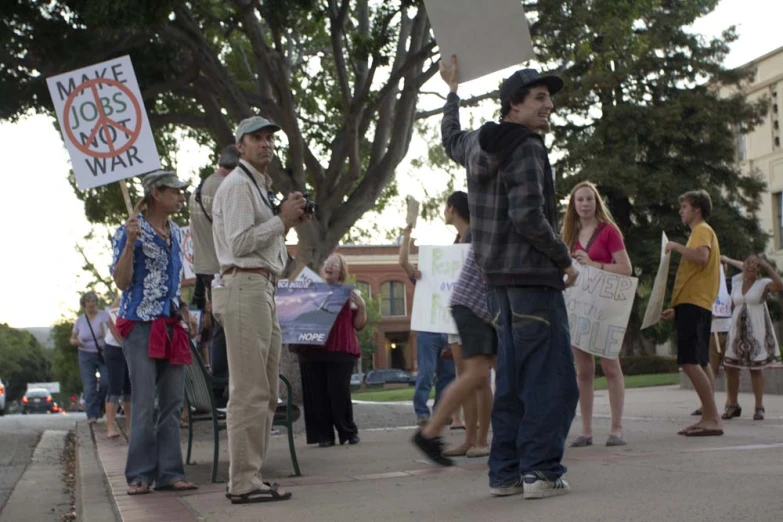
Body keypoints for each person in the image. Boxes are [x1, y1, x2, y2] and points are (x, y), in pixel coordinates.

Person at [440, 55, 579, 499]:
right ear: (513, 106)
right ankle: (540, 471)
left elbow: (450, 138)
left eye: (549, 99)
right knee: (552, 381)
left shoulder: (479, 142)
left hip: (495, 282)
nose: (548, 106)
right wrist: (563, 259)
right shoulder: (528, 146)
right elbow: (528, 217)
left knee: (514, 381)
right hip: (533, 281)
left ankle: (505, 474)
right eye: (539, 98)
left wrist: (453, 91)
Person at [211, 115, 309, 504]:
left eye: (269, 138)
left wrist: (286, 222)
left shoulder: (258, 187)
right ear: (240, 147)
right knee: (250, 390)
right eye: (257, 138)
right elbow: (238, 244)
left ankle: (250, 475)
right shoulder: (237, 186)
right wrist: (281, 220)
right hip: (245, 286)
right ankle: (243, 480)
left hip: (262, 287)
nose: (266, 144)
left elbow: (266, 244)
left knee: (266, 391)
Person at [111, 171, 197, 495]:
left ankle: (170, 473)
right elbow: (121, 281)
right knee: (145, 403)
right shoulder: (129, 230)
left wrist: (184, 308)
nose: (181, 197)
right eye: (175, 192)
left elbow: (174, 280)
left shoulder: (176, 232)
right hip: (141, 326)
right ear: (156, 193)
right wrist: (131, 243)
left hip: (173, 324)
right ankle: (138, 475)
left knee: (173, 402)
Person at [413, 192, 497, 464]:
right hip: (475, 309)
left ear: (453, 208)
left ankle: (472, 439)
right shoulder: (471, 237)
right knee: (475, 375)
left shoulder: (473, 235)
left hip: (471, 309)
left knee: (476, 375)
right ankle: (436, 433)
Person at [561, 182, 633, 447]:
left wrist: (595, 265)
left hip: (605, 308)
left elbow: (626, 268)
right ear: (573, 205)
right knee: (583, 370)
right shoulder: (568, 236)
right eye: (579, 200)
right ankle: (587, 431)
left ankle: (616, 429)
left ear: (596, 202)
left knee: (610, 365)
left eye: (589, 199)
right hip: (579, 308)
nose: (585, 204)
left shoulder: (609, 232)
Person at [661, 190, 723, 437]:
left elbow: (701, 257)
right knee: (700, 360)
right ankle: (709, 414)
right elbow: (698, 273)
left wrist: (675, 246)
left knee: (688, 360)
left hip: (696, 304)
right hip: (694, 304)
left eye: (684, 206)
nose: (681, 211)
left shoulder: (701, 230)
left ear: (697, 208)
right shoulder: (701, 232)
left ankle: (712, 418)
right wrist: (678, 309)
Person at [296, 253, 366, 447]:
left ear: (341, 272)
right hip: (311, 351)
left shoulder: (351, 294)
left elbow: (359, 325)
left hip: (340, 350)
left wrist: (361, 308)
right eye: (327, 263)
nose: (329, 266)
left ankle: (348, 432)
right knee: (316, 396)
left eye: (334, 264)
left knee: (339, 394)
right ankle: (323, 436)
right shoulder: (310, 292)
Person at [189, 145, 239, 407]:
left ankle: (211, 389)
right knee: (222, 329)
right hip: (223, 268)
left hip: (204, 267)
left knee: (209, 329)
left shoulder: (201, 188)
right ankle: (220, 390)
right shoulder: (228, 189)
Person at [399, 222, 456, 426]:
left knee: (448, 375)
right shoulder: (422, 276)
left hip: (450, 330)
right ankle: (422, 413)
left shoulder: (454, 275)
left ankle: (440, 412)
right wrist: (406, 237)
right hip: (428, 331)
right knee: (426, 373)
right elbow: (403, 262)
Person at [719, 254, 782, 421]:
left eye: (755, 265)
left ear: (759, 268)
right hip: (737, 331)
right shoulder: (737, 282)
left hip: (756, 331)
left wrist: (767, 266)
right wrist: (728, 260)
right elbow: (732, 304)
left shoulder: (763, 284)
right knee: (731, 368)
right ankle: (733, 405)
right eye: (748, 264)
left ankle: (759, 406)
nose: (750, 267)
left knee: (756, 369)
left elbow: (780, 285)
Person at [70, 291, 109, 424]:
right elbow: (72, 339)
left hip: (102, 353)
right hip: (85, 354)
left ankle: (100, 406)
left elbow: (112, 330)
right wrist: (76, 342)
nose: (91, 304)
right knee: (89, 386)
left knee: (106, 382)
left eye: (93, 301)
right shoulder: (80, 321)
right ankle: (92, 414)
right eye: (88, 301)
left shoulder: (104, 316)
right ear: (84, 304)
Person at [104, 297, 131, 439]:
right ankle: (110, 426)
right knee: (115, 387)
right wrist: (122, 343)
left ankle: (130, 426)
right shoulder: (121, 299)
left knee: (129, 388)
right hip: (115, 348)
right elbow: (111, 322)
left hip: (131, 348)